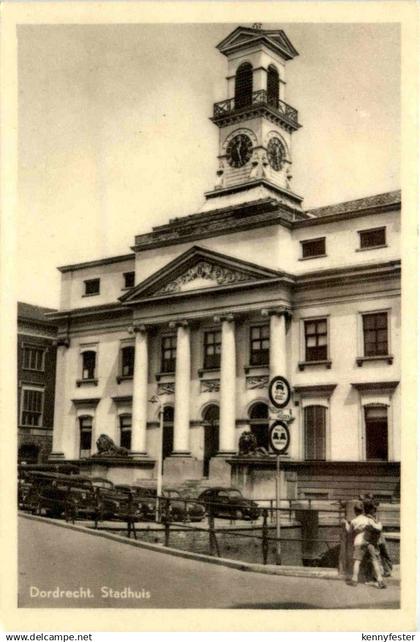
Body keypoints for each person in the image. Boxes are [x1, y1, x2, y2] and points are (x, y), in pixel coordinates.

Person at [345, 499, 386, 589]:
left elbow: (349, 531)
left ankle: (354, 579)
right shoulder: (368, 519)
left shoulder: (353, 521)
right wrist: (379, 523)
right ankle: (380, 580)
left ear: (355, 511)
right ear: (363, 510)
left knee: (357, 561)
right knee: (374, 561)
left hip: (359, 542)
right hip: (369, 542)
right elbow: (378, 527)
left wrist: (345, 524)